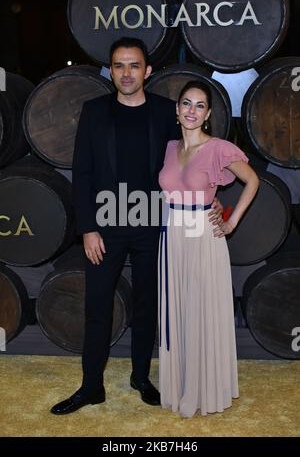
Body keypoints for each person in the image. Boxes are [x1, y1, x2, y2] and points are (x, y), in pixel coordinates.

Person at [51, 39, 223, 415]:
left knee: (148, 307)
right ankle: (91, 387)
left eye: (134, 66)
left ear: (147, 71)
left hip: (154, 224)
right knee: (97, 307)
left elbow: (193, 156)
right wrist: (88, 229)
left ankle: (141, 378)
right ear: (110, 71)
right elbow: (82, 174)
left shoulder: (166, 112)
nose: (126, 73)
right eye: (118, 66)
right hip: (106, 225)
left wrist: (213, 195)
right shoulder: (93, 111)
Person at [158, 80, 259, 418]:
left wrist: (231, 222)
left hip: (203, 237)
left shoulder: (218, 148)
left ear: (209, 114)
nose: (192, 110)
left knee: (202, 310)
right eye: (186, 103)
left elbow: (252, 181)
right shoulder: (171, 147)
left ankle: (206, 388)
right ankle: (181, 383)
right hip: (172, 236)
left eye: (200, 105)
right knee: (180, 310)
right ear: (177, 110)